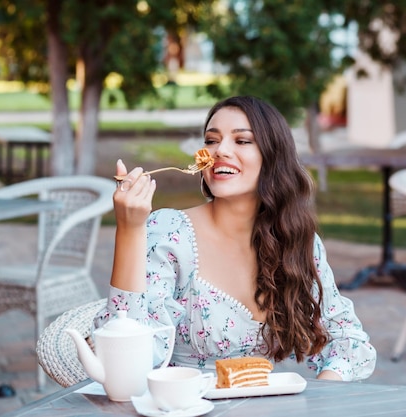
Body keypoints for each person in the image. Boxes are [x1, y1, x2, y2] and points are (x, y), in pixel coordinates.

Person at [94, 95, 376, 381]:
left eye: (242, 141)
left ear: (273, 156)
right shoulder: (169, 232)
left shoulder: (296, 238)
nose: (220, 151)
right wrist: (129, 230)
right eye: (211, 140)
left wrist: (323, 395)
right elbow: (126, 358)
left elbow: (347, 340)